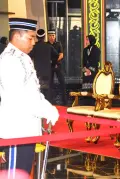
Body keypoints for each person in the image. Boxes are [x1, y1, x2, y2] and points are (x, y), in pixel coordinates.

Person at [0, 18, 59, 176]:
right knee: (15, 174)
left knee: (24, 172)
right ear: (17, 36)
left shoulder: (23, 58)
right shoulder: (9, 60)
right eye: (30, 38)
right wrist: (45, 110)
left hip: (26, 129)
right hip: (16, 130)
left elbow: (33, 91)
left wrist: (48, 107)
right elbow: (20, 96)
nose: (34, 42)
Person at [30, 29, 59, 103]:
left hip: (38, 72)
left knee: (39, 90)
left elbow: (29, 56)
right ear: (44, 36)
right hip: (47, 71)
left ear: (37, 36)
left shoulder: (34, 47)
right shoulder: (48, 46)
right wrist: (52, 63)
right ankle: (49, 105)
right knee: (47, 90)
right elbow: (56, 55)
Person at [47, 29, 67, 106]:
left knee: (62, 82)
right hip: (50, 66)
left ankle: (64, 101)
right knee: (50, 83)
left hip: (58, 65)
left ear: (55, 36)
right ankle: (51, 100)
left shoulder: (58, 44)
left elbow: (61, 55)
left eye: (53, 36)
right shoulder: (46, 44)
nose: (52, 37)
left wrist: (54, 61)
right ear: (48, 36)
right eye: (50, 36)